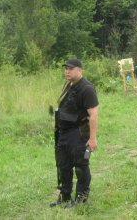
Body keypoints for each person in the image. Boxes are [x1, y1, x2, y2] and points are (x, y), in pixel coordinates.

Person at [50, 58, 99, 208]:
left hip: (78, 133)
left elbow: (94, 115)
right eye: (66, 68)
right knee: (63, 166)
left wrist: (92, 138)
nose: (67, 71)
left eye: (71, 68)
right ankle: (65, 197)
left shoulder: (87, 88)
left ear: (80, 70)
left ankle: (81, 199)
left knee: (80, 166)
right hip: (64, 133)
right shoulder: (68, 85)